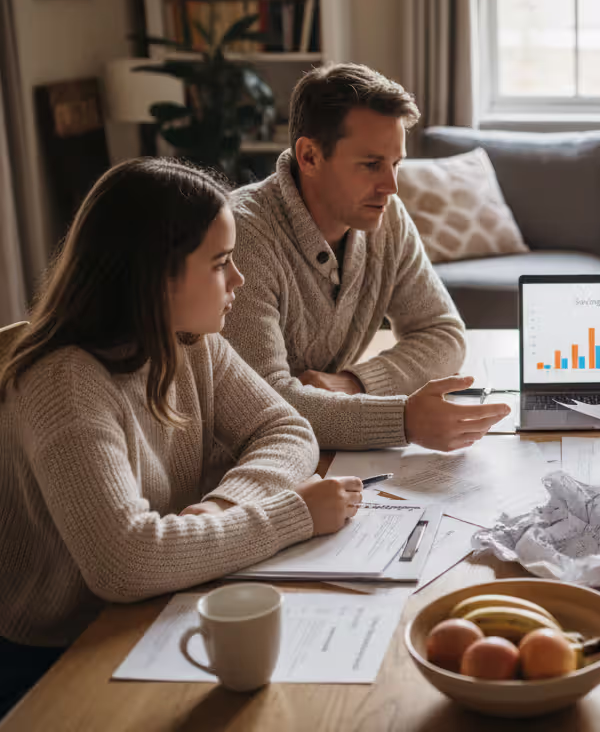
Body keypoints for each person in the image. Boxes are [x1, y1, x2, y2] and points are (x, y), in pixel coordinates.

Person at [0, 159, 363, 717]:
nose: (238, 279)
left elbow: (287, 428)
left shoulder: (188, 340)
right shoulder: (64, 383)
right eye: (220, 263)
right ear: (156, 276)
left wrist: (224, 505)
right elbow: (125, 562)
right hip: (60, 652)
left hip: (157, 604)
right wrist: (293, 516)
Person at [222, 63, 509, 452]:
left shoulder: (387, 217)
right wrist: (402, 421)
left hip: (318, 448)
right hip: (238, 457)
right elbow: (264, 402)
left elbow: (444, 334)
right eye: (372, 165)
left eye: (396, 164)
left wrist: (356, 382)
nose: (391, 186)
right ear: (309, 156)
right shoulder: (243, 236)